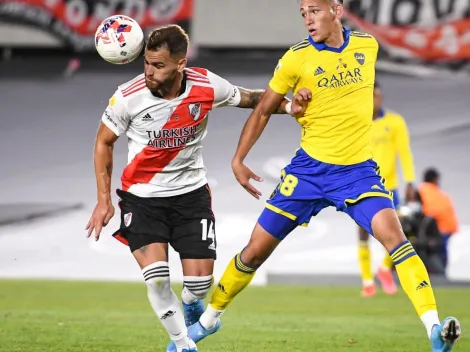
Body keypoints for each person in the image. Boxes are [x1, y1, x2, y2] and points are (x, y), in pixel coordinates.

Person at [168, 1, 462, 351]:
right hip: (308, 172)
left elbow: (337, 96)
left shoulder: (367, 46)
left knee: (397, 240)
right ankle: (208, 321)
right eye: (303, 13)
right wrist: (239, 158)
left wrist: (310, 101)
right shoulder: (296, 59)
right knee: (255, 252)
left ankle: (433, 329)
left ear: (336, 10)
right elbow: (264, 108)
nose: (308, 19)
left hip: (357, 173)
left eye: (315, 11)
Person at [85, 24, 305, 352]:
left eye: (158, 65)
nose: (149, 71)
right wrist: (104, 200)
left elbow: (253, 99)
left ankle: (191, 305)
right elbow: (104, 142)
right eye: (146, 62)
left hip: (191, 197)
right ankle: (183, 344)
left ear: (180, 64)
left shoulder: (205, 85)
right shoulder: (127, 97)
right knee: (157, 279)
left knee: (199, 285)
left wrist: (289, 107)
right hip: (142, 199)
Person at [358, 80, 416, 297]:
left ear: (381, 97)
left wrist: (410, 181)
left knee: (400, 230)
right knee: (362, 232)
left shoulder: (395, 122)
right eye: (370, 96)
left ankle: (384, 269)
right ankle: (367, 281)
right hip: (362, 186)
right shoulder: (357, 122)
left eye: (377, 96)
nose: (374, 100)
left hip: (389, 187)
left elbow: (405, 152)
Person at [418, 168, 459, 271]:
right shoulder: (433, 192)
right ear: (434, 179)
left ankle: (440, 277)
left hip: (439, 229)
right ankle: (442, 277)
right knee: (441, 255)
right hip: (442, 228)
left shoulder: (424, 191)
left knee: (438, 255)